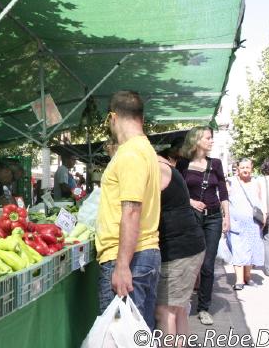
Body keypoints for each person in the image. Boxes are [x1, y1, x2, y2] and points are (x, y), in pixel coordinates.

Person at [95, 91, 161, 331]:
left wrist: (122, 266)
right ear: (141, 118)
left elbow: (131, 210)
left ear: (113, 117)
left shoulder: (131, 153)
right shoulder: (145, 150)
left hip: (129, 258)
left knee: (120, 335)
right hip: (142, 255)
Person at [177, 126, 229, 326]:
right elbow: (178, 191)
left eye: (211, 138)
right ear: (197, 140)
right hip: (191, 218)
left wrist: (227, 216)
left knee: (208, 264)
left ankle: (204, 308)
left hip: (214, 217)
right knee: (189, 262)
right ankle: (181, 302)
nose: (211, 141)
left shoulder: (215, 164)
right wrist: (191, 202)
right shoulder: (182, 164)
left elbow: (223, 192)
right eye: (208, 138)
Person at [155, 153, 205, 345]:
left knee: (165, 311)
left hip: (180, 249)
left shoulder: (158, 169)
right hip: (188, 246)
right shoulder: (166, 167)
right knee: (178, 309)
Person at [226, 158, 264, 289]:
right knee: (238, 250)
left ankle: (248, 276)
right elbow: (224, 201)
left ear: (251, 168)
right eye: (242, 168)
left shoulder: (256, 182)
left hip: (253, 223)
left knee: (251, 250)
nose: (245, 170)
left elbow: (260, 202)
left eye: (247, 167)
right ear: (238, 169)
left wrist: (263, 217)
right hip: (236, 223)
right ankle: (239, 280)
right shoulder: (230, 182)